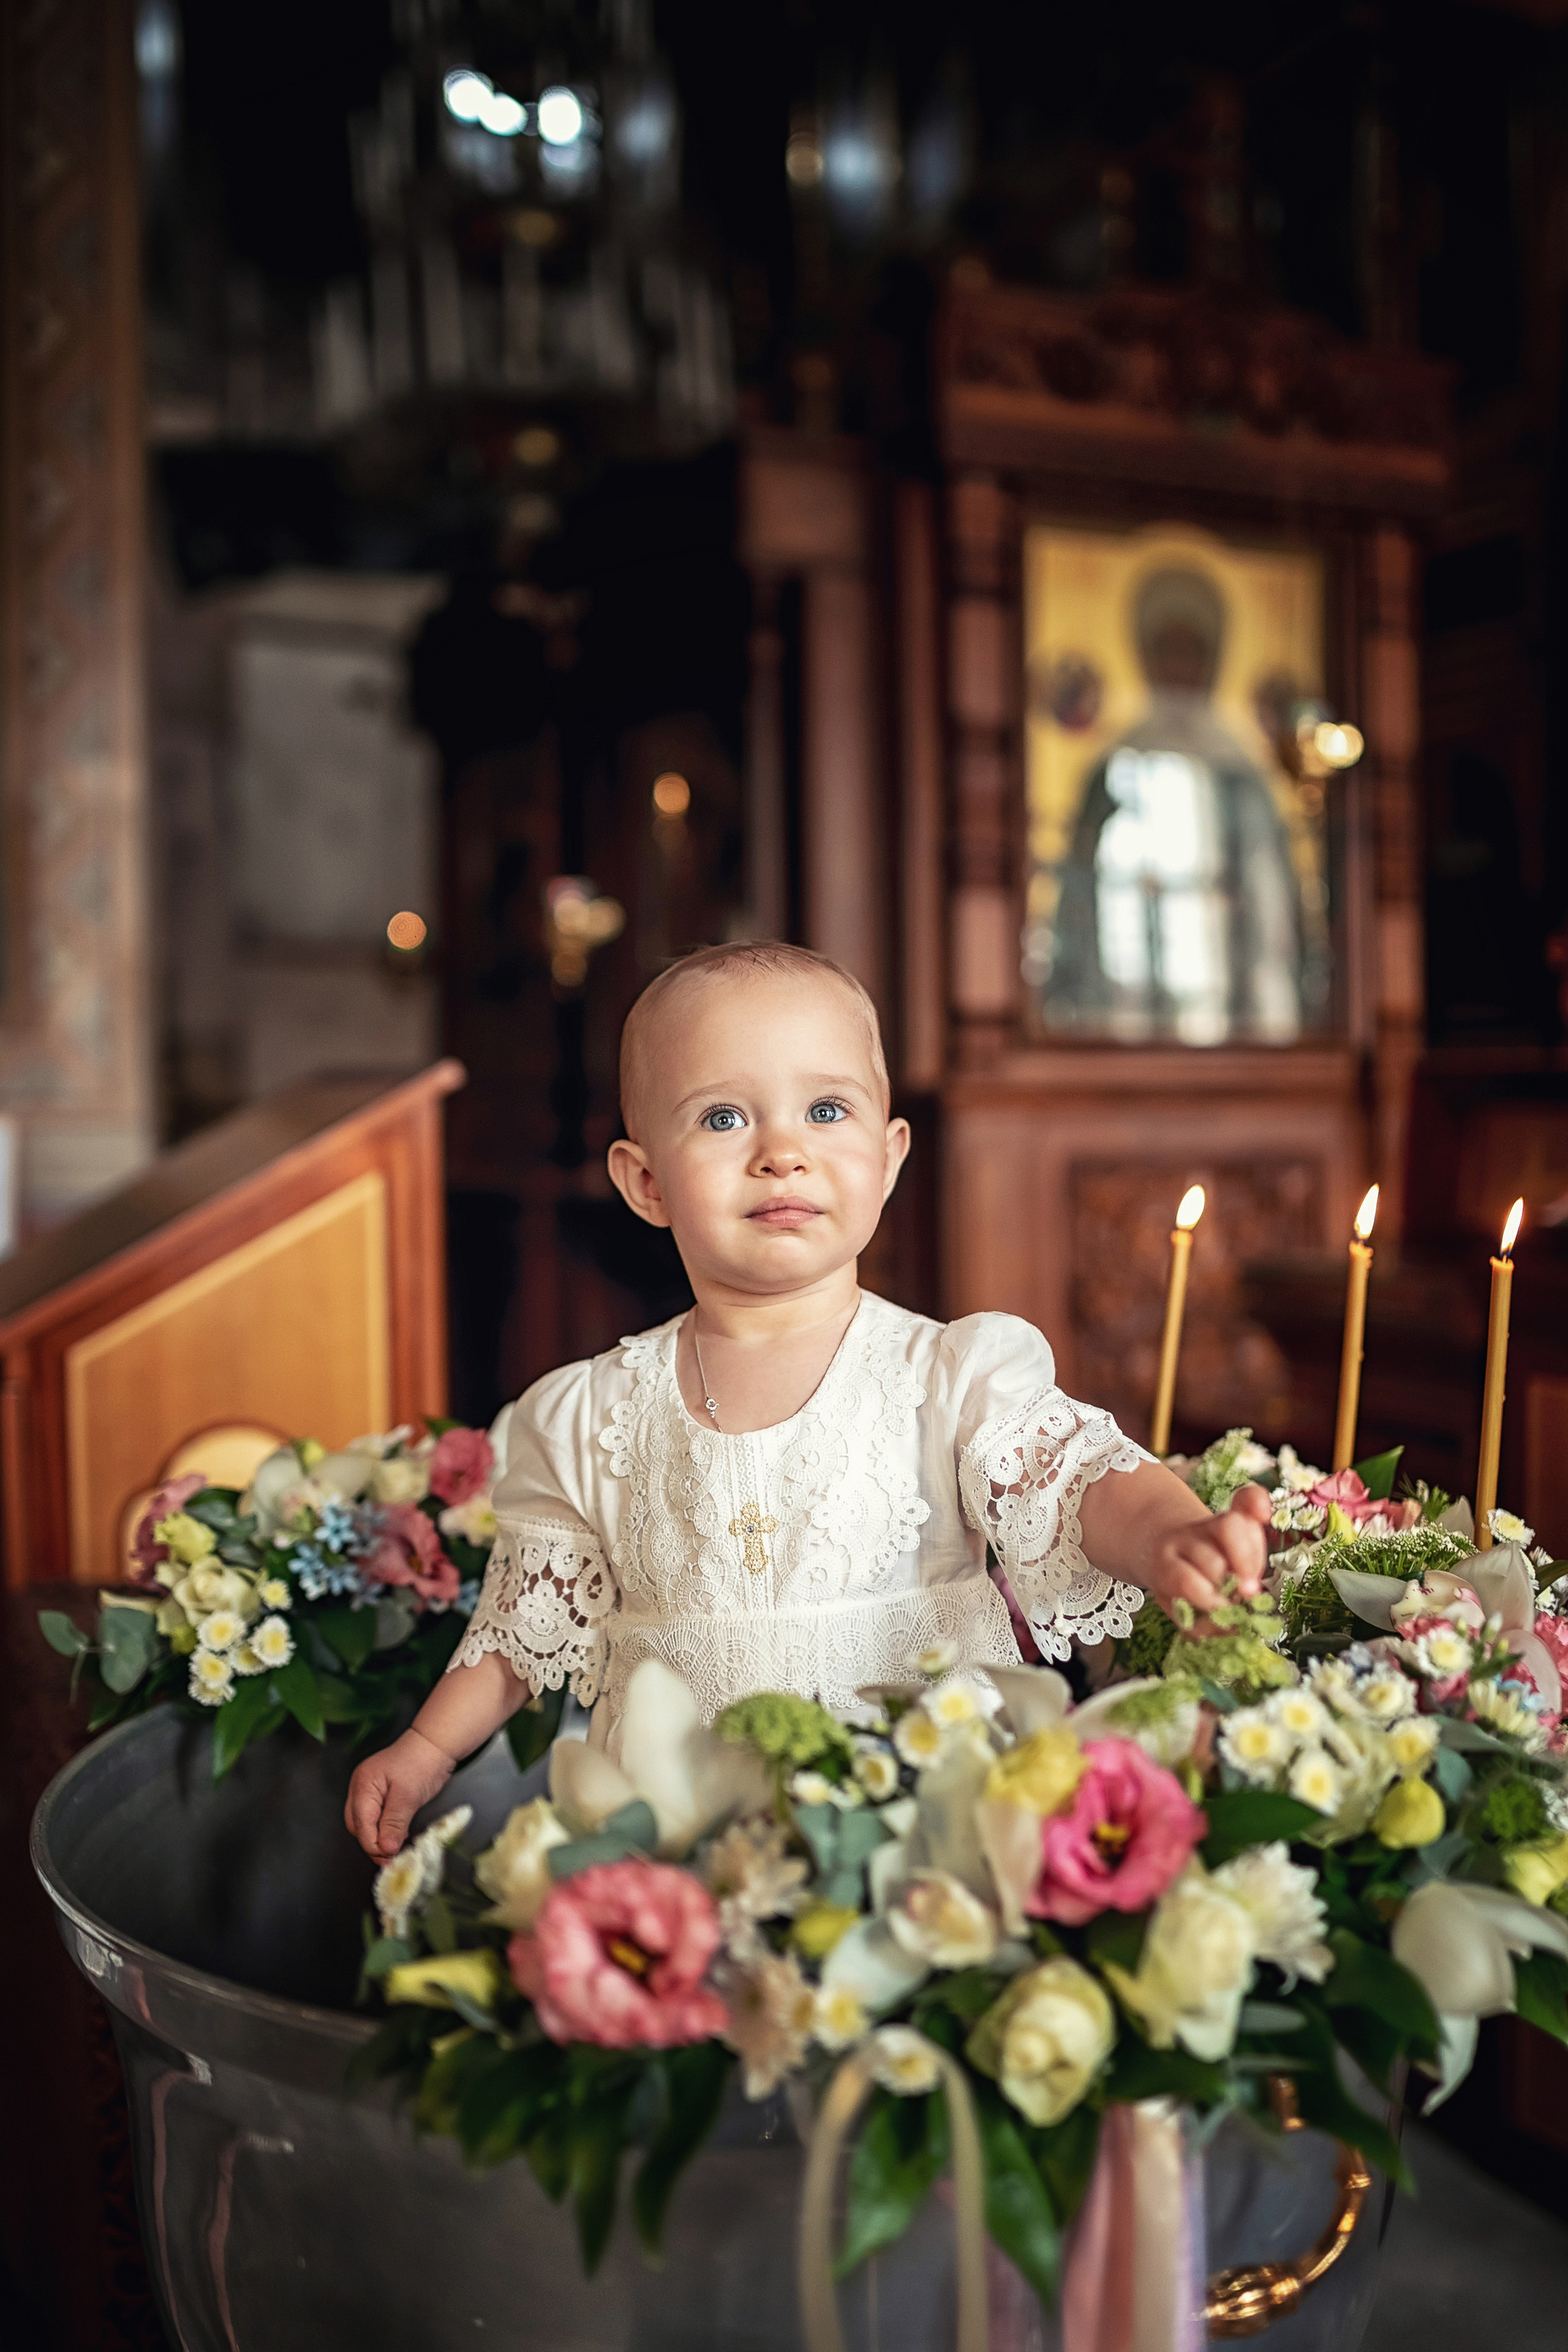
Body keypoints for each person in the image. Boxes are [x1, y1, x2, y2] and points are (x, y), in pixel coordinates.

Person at [347, 941, 1268, 1860]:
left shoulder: (947, 1374)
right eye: (722, 1119)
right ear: (646, 1183)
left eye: (826, 1110)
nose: (782, 1153)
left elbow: (1078, 1484)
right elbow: (523, 1625)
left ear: (889, 1154)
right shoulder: (590, 1415)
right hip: (683, 1850)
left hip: (919, 1832)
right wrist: (427, 1749)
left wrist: (1169, 1535)